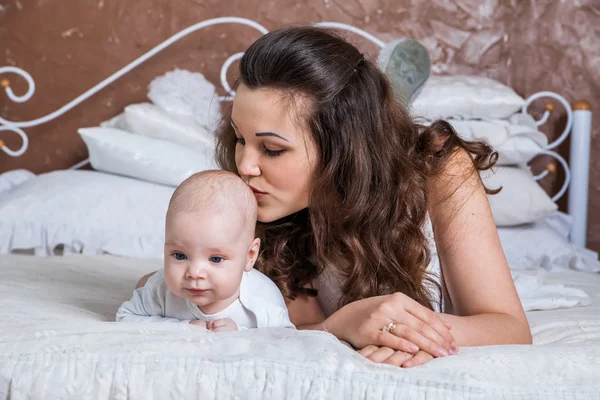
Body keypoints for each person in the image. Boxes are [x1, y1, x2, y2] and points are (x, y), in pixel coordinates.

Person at [136, 26, 531, 367]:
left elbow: (509, 327)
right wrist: (342, 325)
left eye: (272, 149)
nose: (245, 166)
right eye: (240, 139)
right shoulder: (257, 203)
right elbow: (277, 323)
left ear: (341, 147)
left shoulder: (441, 169)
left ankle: (393, 97)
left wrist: (409, 333)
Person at [118, 170, 294, 331]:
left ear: (250, 256)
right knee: (146, 284)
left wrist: (241, 333)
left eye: (216, 259)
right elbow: (126, 317)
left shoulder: (263, 300)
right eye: (180, 255)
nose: (194, 273)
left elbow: (286, 340)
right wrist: (183, 327)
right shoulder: (159, 289)